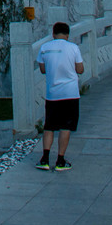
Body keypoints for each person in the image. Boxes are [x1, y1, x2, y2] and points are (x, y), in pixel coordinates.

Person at [35, 21, 84, 171]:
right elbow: (80, 69)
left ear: (53, 34)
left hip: (52, 94)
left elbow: (43, 69)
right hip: (70, 93)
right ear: (68, 35)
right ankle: (60, 161)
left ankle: (44, 159)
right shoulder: (73, 48)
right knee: (65, 127)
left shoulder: (44, 48)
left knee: (49, 127)